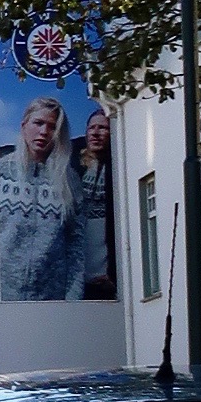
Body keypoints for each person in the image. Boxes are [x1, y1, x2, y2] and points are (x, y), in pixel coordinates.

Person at [0, 96, 80, 301]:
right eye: (38, 123)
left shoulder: (70, 182)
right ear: (24, 126)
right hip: (3, 298)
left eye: (52, 127)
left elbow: (76, 246)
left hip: (52, 300)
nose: (44, 132)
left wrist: (73, 298)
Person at [73, 104, 117, 299]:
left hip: (105, 270)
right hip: (78, 269)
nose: (96, 133)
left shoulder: (117, 166)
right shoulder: (73, 166)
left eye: (103, 128)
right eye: (92, 128)